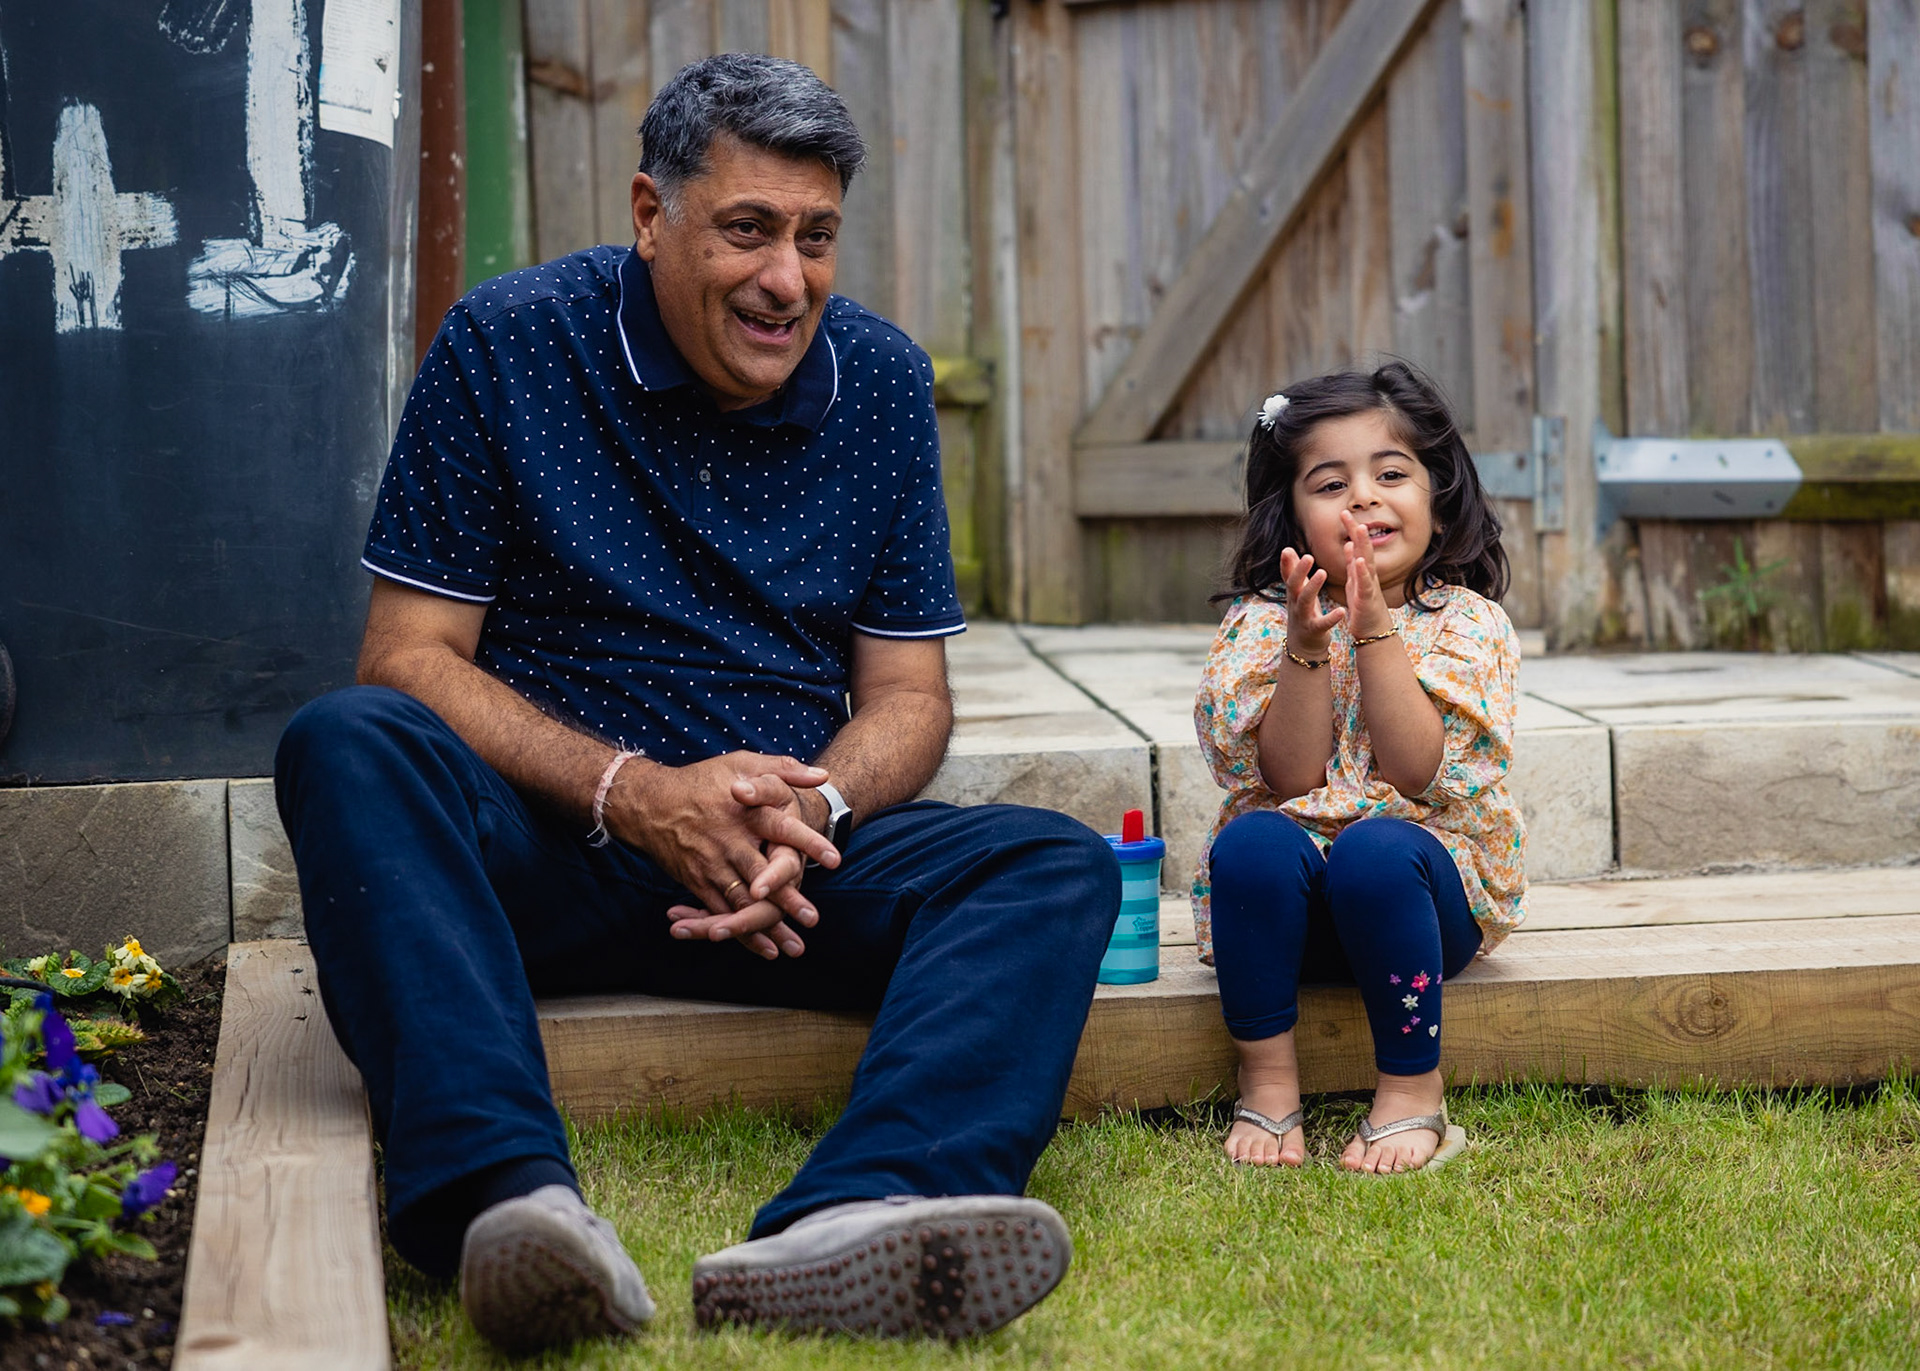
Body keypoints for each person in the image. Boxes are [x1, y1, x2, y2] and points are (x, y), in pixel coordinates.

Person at [274, 53, 1118, 1355]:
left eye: (815, 237)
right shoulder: (508, 342)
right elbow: (409, 654)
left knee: (1049, 865)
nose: (787, 278)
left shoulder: (882, 381)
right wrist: (637, 794)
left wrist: (815, 810)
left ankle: (860, 1211)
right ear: (650, 215)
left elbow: (907, 695)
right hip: (550, 845)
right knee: (347, 739)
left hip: (783, 876)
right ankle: (508, 1201)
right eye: (748, 229)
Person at [1190, 362, 1526, 1174]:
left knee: (1376, 849)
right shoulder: (1263, 624)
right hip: (1292, 919)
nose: (1364, 499)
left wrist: (1374, 628)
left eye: (1391, 475)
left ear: (1438, 495)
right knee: (1253, 842)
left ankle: (1411, 1089)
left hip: (1421, 905)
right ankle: (1269, 1082)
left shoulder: (1467, 624)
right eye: (1331, 484)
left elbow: (1416, 771)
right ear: (1291, 512)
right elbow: (1291, 777)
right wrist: (1307, 647)